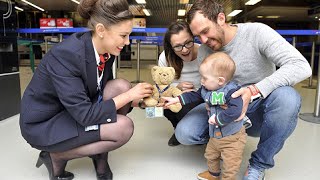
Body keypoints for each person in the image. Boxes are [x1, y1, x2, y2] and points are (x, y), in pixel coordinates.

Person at [19, 0, 153, 180]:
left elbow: (100, 90)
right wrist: (129, 96)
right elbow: (85, 115)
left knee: (120, 86)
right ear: (101, 30)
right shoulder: (66, 55)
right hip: (46, 122)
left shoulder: (105, 50)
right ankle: (56, 155)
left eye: (129, 35)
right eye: (123, 35)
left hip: (73, 109)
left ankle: (100, 156)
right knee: (123, 127)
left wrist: (137, 100)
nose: (127, 42)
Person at [183, 0, 312, 179]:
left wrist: (254, 90)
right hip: (222, 110)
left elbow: (300, 66)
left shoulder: (257, 32)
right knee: (185, 133)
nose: (203, 41)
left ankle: (259, 164)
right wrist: (183, 96)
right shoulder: (205, 50)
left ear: (221, 18)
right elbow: (206, 87)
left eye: (205, 31)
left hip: (257, 110)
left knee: (288, 99)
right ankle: (224, 143)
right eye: (198, 36)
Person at [163, 52, 247, 180]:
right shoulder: (206, 89)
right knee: (211, 155)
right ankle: (213, 174)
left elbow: (236, 111)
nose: (201, 81)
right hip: (214, 134)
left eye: (204, 78)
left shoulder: (232, 92)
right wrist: (177, 100)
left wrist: (218, 119)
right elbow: (194, 96)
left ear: (220, 80)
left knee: (231, 163)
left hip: (232, 137)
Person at [158, 21, 203, 146]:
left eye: (188, 42)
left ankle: (196, 132)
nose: (184, 50)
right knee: (164, 103)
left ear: (194, 38)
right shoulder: (165, 57)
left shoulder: (204, 53)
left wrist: (195, 92)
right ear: (170, 47)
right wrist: (177, 88)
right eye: (177, 46)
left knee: (188, 108)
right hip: (176, 96)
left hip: (202, 97)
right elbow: (162, 86)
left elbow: (216, 83)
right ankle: (178, 128)